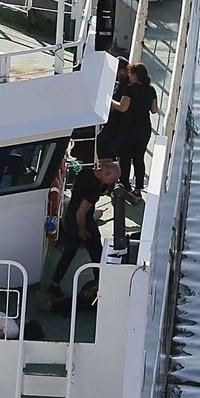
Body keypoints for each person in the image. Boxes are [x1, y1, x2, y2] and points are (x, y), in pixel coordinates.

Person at [45, 159, 119, 298]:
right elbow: (81, 213)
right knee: (96, 250)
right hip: (81, 221)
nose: (111, 183)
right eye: (112, 179)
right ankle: (101, 281)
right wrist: (82, 230)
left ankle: (54, 283)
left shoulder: (85, 172)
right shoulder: (94, 188)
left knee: (70, 253)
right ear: (107, 173)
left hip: (70, 217)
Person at [113, 63, 157, 191]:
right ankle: (138, 188)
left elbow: (123, 107)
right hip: (144, 129)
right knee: (139, 159)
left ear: (135, 75)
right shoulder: (151, 90)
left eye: (130, 73)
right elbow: (154, 110)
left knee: (125, 157)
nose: (129, 76)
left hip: (128, 128)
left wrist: (110, 102)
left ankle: (125, 185)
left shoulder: (129, 89)